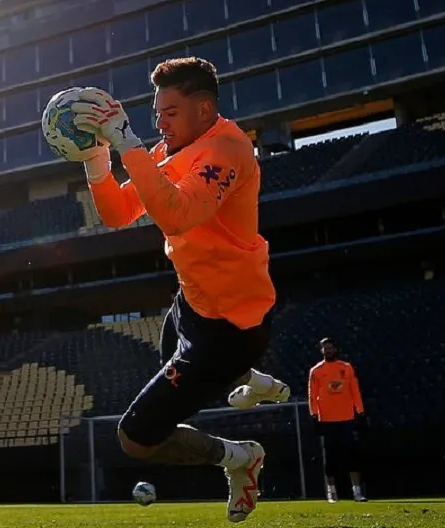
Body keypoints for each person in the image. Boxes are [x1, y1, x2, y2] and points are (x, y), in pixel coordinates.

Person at [70, 56, 290, 523]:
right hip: (191, 303)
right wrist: (96, 159)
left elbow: (178, 214)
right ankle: (250, 380)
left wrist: (126, 142)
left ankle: (241, 458)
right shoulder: (166, 153)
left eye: (169, 113)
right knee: (180, 371)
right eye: (157, 114)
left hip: (232, 324)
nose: (159, 123)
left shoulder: (228, 147)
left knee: (137, 437)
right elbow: (117, 213)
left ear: (204, 110)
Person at [308, 337, 368, 503]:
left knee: (352, 455)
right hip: (327, 419)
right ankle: (331, 492)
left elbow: (354, 390)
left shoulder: (346, 367)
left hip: (347, 417)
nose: (328, 351)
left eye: (330, 348)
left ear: (335, 349)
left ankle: (357, 491)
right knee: (330, 457)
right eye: (324, 348)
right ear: (321, 351)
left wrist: (360, 412)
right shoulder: (316, 371)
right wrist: (314, 416)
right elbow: (312, 395)